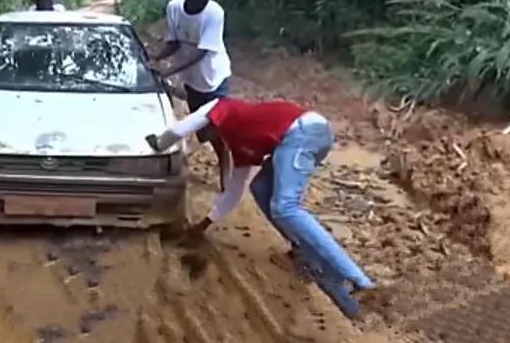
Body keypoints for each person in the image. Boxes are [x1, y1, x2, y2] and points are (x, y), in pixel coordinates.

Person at [144, 97, 374, 317]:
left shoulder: (223, 107)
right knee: (260, 188)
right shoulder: (241, 146)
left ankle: (360, 281)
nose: (205, 135)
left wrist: (160, 143)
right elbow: (234, 190)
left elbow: (186, 125)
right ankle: (303, 248)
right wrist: (204, 225)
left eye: (207, 131)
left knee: (286, 207)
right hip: (302, 136)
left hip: (303, 132)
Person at [150, 0, 233, 179]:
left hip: (215, 78)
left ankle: (226, 167)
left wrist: (167, 70)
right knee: (203, 130)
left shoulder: (214, 13)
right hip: (192, 80)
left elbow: (201, 52)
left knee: (216, 126)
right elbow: (174, 42)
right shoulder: (175, 8)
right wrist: (155, 59)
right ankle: (222, 157)